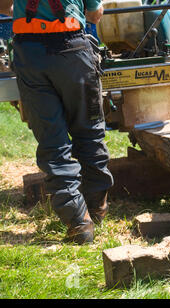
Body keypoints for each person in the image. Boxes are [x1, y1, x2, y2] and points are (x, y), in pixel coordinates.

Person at [0, 0, 114, 244]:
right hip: (73, 50)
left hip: (30, 56)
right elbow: (94, 13)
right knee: (89, 132)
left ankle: (78, 222)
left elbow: (3, 6)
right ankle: (96, 209)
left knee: (53, 142)